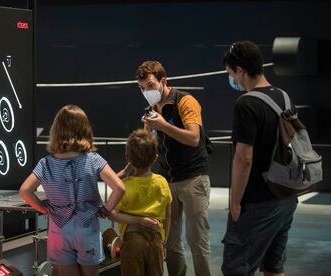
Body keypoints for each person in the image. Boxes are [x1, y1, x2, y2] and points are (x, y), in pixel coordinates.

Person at [221, 40, 298, 276]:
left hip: (257, 203)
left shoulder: (247, 104)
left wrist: (235, 201)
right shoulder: (283, 97)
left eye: (230, 73)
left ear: (240, 71)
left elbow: (244, 158)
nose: (231, 79)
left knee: (236, 268)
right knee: (274, 268)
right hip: (286, 197)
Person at [19, 105, 125, 276]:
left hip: (58, 231)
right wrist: (106, 209)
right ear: (85, 129)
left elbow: (25, 191)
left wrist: (44, 210)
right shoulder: (94, 159)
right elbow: (119, 187)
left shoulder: (45, 163)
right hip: (87, 229)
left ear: (56, 130)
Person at [136, 60, 212, 276]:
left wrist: (164, 126)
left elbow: (194, 138)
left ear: (163, 81)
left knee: (197, 240)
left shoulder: (185, 101)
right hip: (166, 181)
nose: (146, 91)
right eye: (142, 88)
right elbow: (151, 148)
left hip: (193, 177)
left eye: (150, 86)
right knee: (169, 241)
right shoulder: (150, 110)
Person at [109, 129, 172, 276]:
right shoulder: (162, 182)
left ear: (127, 158)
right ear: (155, 158)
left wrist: (137, 221)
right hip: (156, 239)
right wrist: (164, 241)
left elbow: (111, 213)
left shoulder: (125, 186)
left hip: (132, 243)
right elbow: (168, 215)